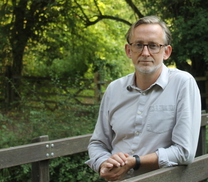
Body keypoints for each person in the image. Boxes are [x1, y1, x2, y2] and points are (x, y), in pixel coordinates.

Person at [85, 15, 201, 181]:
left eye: (153, 46)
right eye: (138, 45)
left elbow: (184, 152)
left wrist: (135, 162)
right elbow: (98, 143)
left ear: (166, 51)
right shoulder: (114, 90)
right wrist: (104, 163)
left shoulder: (182, 84)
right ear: (128, 50)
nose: (145, 52)